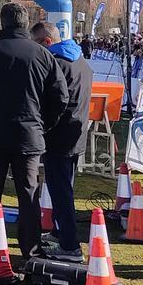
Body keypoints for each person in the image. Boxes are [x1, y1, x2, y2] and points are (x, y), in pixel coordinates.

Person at [0, 3, 68, 262]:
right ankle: (30, 250)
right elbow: (61, 96)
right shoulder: (42, 55)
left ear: (2, 22)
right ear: (24, 22)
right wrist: (43, 125)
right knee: (28, 195)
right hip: (28, 136)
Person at [33, 22, 93, 263]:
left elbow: (53, 102)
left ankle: (70, 246)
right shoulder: (80, 61)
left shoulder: (57, 64)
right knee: (64, 186)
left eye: (37, 44)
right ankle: (60, 233)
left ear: (47, 42)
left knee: (61, 191)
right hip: (75, 134)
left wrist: (43, 127)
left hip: (59, 136)